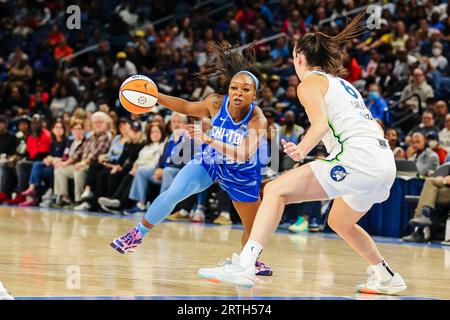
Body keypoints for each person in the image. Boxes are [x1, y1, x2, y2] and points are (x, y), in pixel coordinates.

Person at [198, 12, 407, 295]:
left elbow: (320, 124)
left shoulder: (309, 82)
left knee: (274, 191)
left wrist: (301, 149)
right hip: (384, 163)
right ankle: (387, 276)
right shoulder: (344, 85)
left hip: (359, 159)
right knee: (339, 222)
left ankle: (246, 265)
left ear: (298, 56)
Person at [111, 41, 273, 277]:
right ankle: (137, 234)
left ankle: (250, 261)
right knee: (174, 192)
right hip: (210, 161)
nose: (238, 93)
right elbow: (186, 106)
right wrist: (156, 96)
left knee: (254, 229)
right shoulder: (216, 103)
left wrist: (207, 139)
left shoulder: (257, 119)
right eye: (234, 88)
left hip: (241, 171)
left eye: (245, 90)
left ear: (254, 94)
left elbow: (244, 154)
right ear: (228, 89)